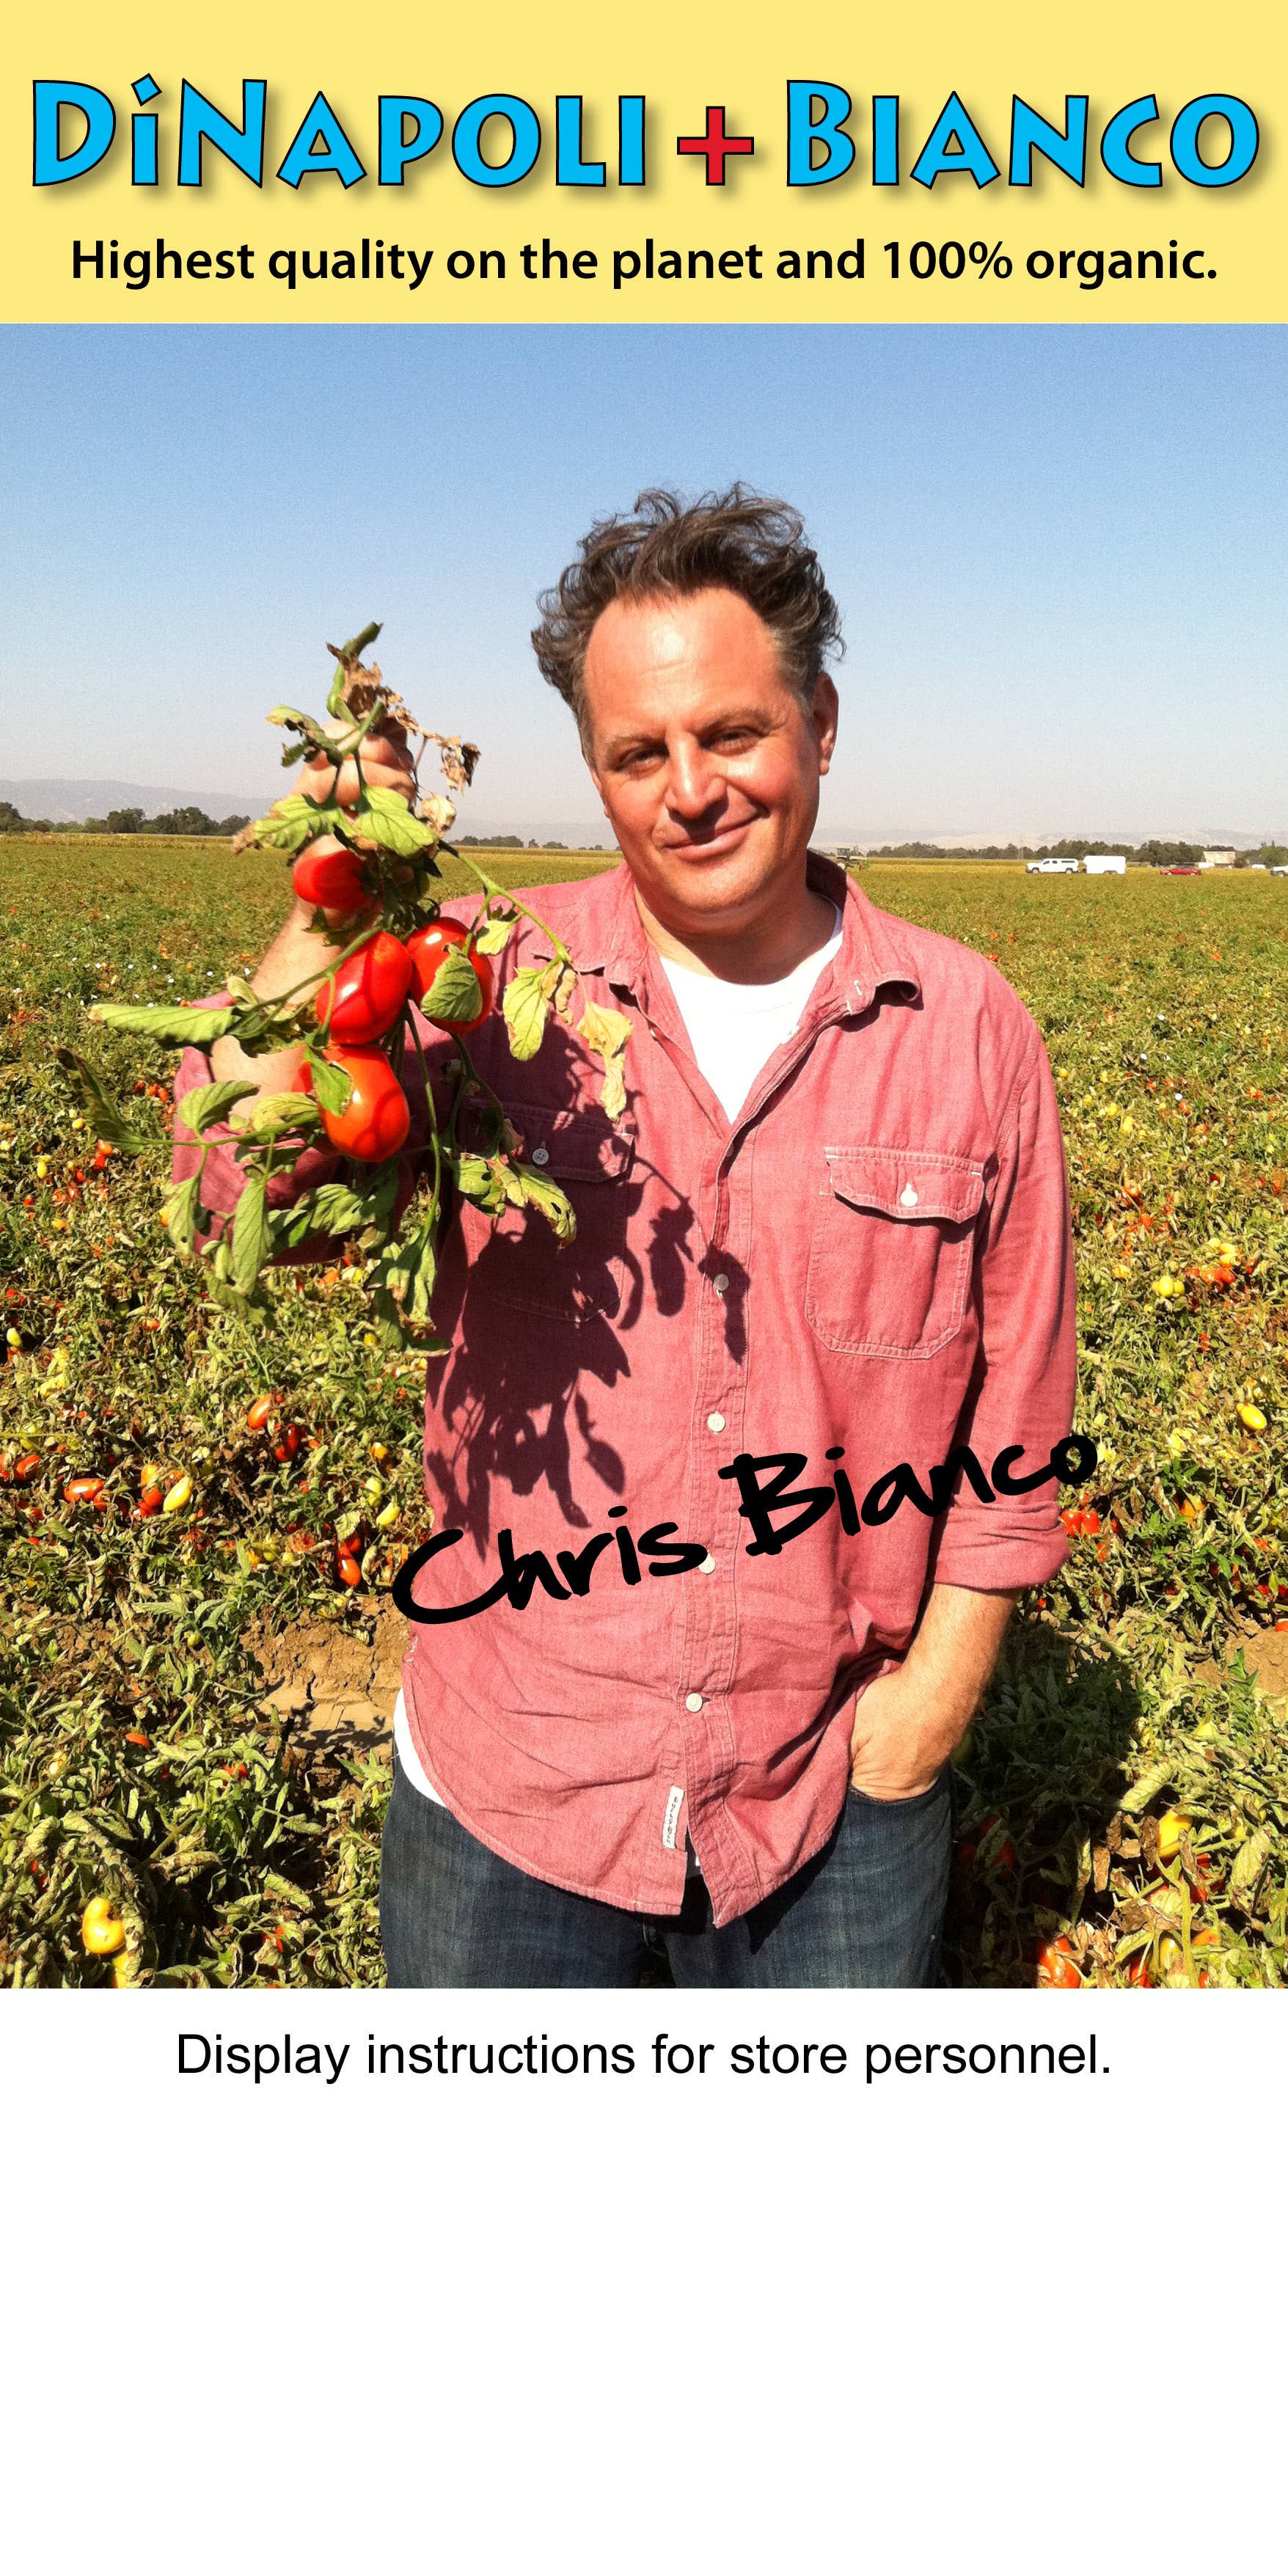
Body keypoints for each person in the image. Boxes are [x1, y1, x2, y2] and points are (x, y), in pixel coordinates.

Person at [175, 486, 1077, 1988]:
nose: (690, 790)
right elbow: (232, 1182)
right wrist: (348, 866)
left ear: (820, 724)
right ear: (592, 771)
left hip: (831, 1788)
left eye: (730, 734)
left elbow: (1017, 1406)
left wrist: (929, 1709)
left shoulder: (966, 1029)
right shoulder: (482, 978)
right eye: (637, 752)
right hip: (512, 1784)